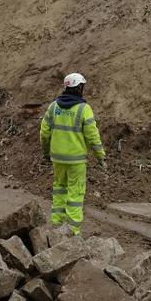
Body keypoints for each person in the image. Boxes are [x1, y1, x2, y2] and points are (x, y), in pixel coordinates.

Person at [39, 73, 106, 235]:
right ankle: (72, 231)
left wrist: (46, 152)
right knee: (75, 193)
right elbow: (93, 136)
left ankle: (57, 225)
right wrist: (100, 156)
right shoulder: (84, 109)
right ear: (79, 88)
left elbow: (44, 133)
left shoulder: (53, 107)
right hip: (76, 161)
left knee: (59, 190)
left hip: (57, 158)